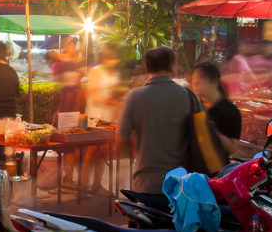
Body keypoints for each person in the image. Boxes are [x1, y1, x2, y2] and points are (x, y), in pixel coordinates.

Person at [117, 47, 193, 194]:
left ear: (146, 67)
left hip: (146, 183)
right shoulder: (187, 96)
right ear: (171, 66)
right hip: (181, 184)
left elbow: (123, 139)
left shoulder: (134, 97)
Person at [74, 43, 123, 194]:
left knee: (103, 151)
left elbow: (114, 92)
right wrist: (115, 102)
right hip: (95, 117)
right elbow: (93, 95)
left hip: (109, 118)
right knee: (91, 151)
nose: (114, 61)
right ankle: (83, 184)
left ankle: (97, 184)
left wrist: (117, 104)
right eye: (112, 58)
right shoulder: (96, 71)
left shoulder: (115, 74)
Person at [191, 62, 241, 155]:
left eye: (200, 78)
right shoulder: (195, 107)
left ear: (215, 81)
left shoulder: (230, 110)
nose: (195, 82)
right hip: (193, 166)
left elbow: (232, 147)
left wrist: (208, 127)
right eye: (193, 79)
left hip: (217, 167)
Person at [52, 37, 83, 114]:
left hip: (71, 104)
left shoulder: (75, 65)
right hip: (64, 104)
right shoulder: (59, 64)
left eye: (73, 45)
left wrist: (76, 108)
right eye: (69, 45)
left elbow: (77, 87)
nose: (72, 48)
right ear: (65, 47)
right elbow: (59, 87)